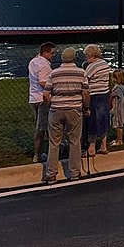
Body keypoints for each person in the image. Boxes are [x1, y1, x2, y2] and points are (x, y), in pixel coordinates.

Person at [43, 47, 89, 185]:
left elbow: (45, 94)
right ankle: (74, 172)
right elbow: (85, 93)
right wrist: (86, 108)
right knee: (75, 141)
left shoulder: (54, 73)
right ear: (74, 58)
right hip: (74, 110)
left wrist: (51, 104)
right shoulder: (81, 73)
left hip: (56, 110)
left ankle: (51, 173)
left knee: (54, 142)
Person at [28, 41, 56, 163]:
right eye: (52, 53)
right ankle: (39, 155)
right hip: (42, 99)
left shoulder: (33, 61)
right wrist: (55, 89)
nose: (53, 55)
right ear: (45, 53)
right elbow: (43, 82)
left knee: (41, 127)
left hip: (33, 98)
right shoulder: (45, 65)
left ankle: (47, 151)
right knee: (43, 128)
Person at [83, 44, 112, 156]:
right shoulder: (104, 64)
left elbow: (85, 80)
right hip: (104, 93)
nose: (85, 58)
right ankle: (104, 145)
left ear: (91, 55)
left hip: (94, 95)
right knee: (103, 118)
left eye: (86, 56)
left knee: (92, 120)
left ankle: (92, 147)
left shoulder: (92, 66)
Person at [109, 69, 124, 147]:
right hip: (120, 108)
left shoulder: (117, 89)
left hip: (117, 108)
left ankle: (120, 140)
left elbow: (112, 96)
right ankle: (117, 139)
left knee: (119, 124)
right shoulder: (122, 87)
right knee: (118, 124)